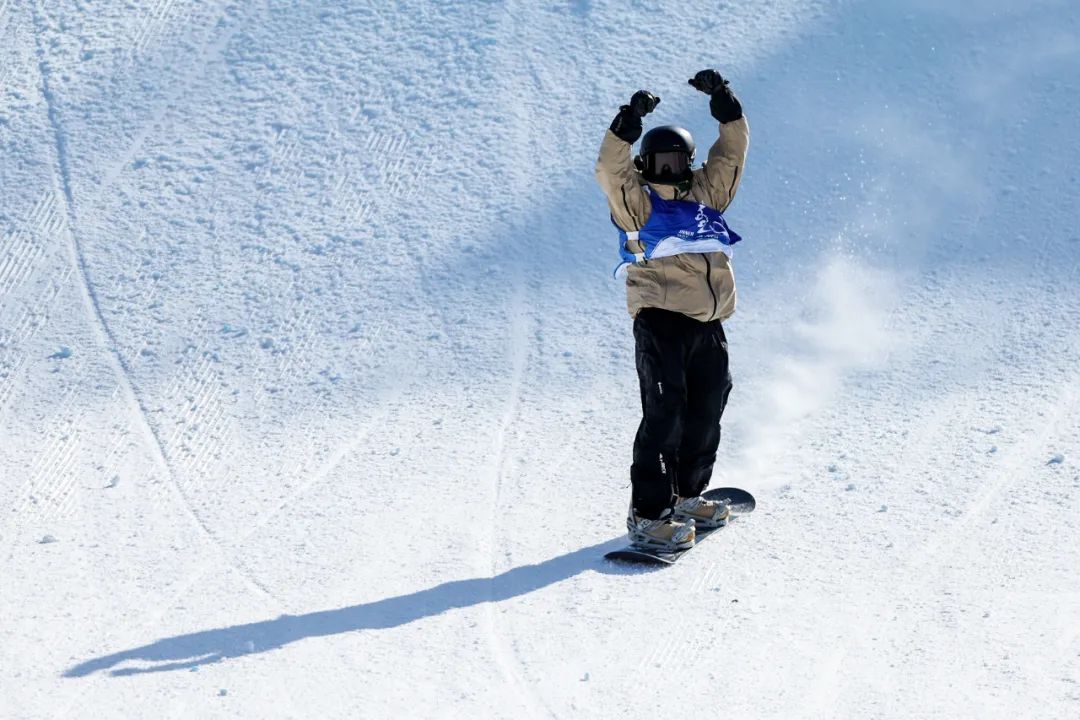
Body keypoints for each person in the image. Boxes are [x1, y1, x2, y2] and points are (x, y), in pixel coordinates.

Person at [595, 69, 749, 551]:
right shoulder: (636, 204)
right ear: (645, 164)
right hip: (661, 319)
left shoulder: (707, 196)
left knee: (706, 411)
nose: (668, 169)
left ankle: (686, 496)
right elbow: (610, 170)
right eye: (659, 161)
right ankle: (648, 514)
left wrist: (724, 101)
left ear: (689, 163)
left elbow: (732, 154)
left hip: (708, 322)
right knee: (666, 414)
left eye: (677, 161)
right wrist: (627, 123)